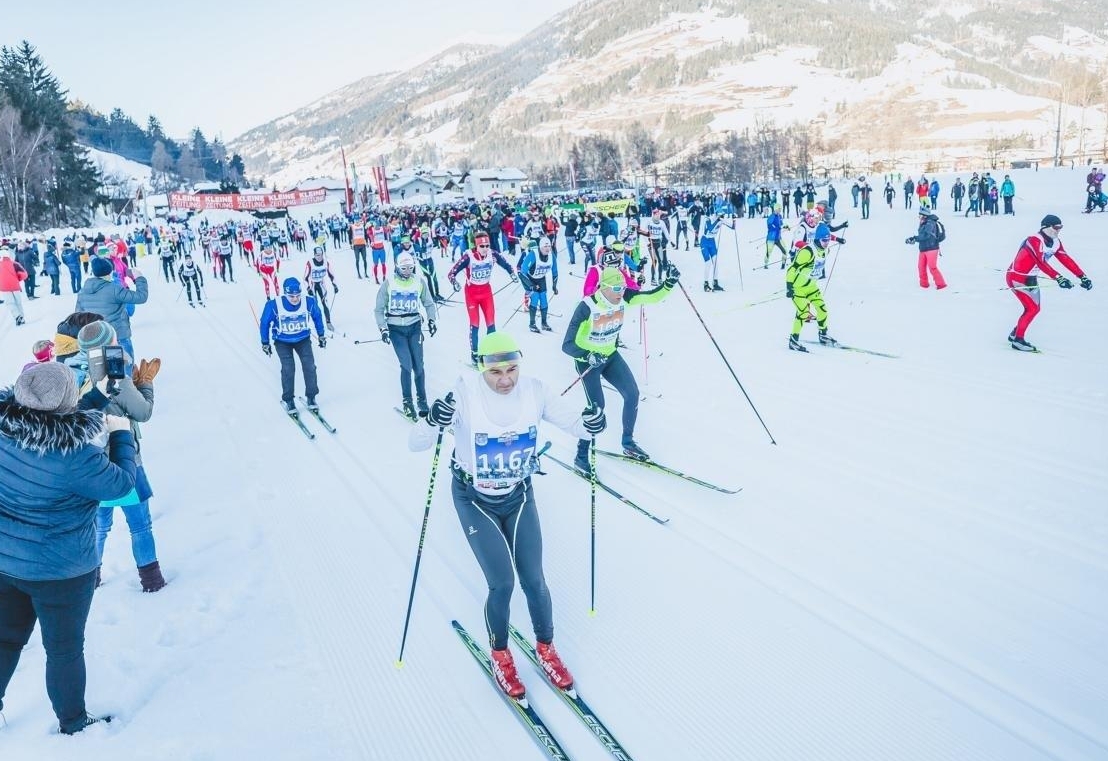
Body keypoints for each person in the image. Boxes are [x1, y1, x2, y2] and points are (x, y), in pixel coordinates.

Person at [410, 332, 605, 698]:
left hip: (518, 495)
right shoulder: (463, 395)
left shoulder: (534, 391)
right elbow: (416, 442)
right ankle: (500, 655)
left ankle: (546, 648)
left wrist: (593, 423)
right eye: (495, 371)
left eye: (511, 369)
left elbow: (578, 423)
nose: (505, 379)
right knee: (502, 583)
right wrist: (434, 420)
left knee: (535, 580)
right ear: (481, 367)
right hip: (474, 499)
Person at [0, 362, 136, 734]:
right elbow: (122, 485)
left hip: (5, 560)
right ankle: (73, 722)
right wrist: (122, 435)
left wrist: (96, 397)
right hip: (60, 571)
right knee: (63, 649)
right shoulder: (77, 459)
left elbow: (53, 419)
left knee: (5, 639)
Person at [75, 320, 167, 592]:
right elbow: (143, 413)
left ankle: (91, 577)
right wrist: (146, 385)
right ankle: (151, 579)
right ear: (109, 344)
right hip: (126, 460)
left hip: (93, 466)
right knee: (140, 526)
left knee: (99, 527)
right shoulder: (117, 378)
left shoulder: (75, 374)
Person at [562, 266, 680, 471]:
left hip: (609, 355)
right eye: (616, 288)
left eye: (623, 287)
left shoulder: (624, 297)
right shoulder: (587, 306)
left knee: (632, 394)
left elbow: (651, 297)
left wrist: (669, 283)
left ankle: (628, 443)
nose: (621, 292)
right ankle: (581, 457)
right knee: (596, 408)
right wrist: (587, 355)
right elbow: (567, 344)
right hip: (587, 361)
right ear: (603, 288)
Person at [1004, 215, 1092, 351]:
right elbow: (1041, 262)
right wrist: (1059, 278)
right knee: (1032, 309)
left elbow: (1065, 258)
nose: (1058, 230)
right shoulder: (1034, 240)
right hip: (1017, 277)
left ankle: (1015, 334)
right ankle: (1018, 341)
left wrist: (1082, 276)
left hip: (1031, 278)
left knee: (1033, 309)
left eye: (1060, 227)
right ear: (1046, 227)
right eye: (1056, 227)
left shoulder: (1055, 242)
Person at [375, 253, 438, 420]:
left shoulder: (419, 281)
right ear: (397, 266)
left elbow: (429, 303)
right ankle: (407, 402)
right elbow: (379, 309)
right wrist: (383, 329)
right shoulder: (389, 283)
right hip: (396, 329)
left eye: (410, 268)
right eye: (404, 268)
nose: (407, 271)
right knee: (406, 365)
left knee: (419, 365)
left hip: (414, 326)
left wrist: (432, 320)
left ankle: (422, 401)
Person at [447, 231, 517, 366]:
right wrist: (455, 283)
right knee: (475, 324)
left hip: (486, 292)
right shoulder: (468, 256)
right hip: (472, 294)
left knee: (491, 323)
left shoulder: (493, 254)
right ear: (476, 246)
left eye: (487, 245)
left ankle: (491, 351)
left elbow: (506, 264)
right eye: (482, 246)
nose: (485, 249)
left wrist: (512, 274)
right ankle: (474, 353)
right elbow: (451, 273)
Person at [259, 278, 327, 414]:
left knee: (310, 366)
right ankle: (289, 399)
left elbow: (318, 317)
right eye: (291, 296)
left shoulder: (309, 302)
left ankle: (311, 397)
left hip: (302, 339)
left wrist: (321, 335)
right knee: (289, 368)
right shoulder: (273, 305)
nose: (295, 299)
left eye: (297, 296)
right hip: (282, 341)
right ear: (285, 294)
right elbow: (264, 323)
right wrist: (265, 342)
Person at [75, 256, 148, 366]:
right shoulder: (114, 289)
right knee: (123, 372)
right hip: (117, 338)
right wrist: (139, 278)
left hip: (95, 341)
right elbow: (141, 297)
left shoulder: (83, 291)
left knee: (104, 375)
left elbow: (78, 316)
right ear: (109, 273)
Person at [786, 239, 836, 352]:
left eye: (828, 240)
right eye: (824, 240)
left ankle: (823, 334)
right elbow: (792, 268)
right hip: (798, 288)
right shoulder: (807, 252)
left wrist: (838, 239)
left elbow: (829, 235)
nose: (827, 242)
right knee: (803, 313)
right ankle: (793, 340)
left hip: (811, 287)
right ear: (818, 239)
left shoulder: (825, 250)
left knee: (822, 309)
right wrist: (789, 286)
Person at [518, 237, 559, 332]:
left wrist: (554, 286)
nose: (548, 248)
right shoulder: (533, 255)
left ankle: (544, 323)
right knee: (535, 298)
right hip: (529, 279)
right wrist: (531, 285)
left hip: (540, 279)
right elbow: (522, 273)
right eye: (545, 246)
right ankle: (532, 324)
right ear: (540, 247)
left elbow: (555, 271)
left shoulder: (551, 256)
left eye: (549, 246)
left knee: (544, 299)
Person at [906, 208, 947, 289]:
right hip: (923, 248)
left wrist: (914, 238)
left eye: (920, 215)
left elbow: (926, 235)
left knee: (932, 267)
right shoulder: (923, 222)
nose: (919, 217)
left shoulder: (930, 223)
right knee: (921, 267)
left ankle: (941, 284)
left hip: (932, 248)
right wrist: (914, 239)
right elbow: (922, 236)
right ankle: (924, 284)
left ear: (924, 215)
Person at [304, 246, 338, 331]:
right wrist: (308, 288)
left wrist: (335, 285)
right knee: (315, 305)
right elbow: (305, 277)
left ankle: (328, 322)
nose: (319, 257)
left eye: (321, 255)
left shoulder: (326, 262)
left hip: (321, 284)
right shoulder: (310, 263)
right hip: (312, 284)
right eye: (317, 255)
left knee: (325, 303)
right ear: (314, 255)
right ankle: (316, 323)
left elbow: (331, 275)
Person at [699, 211, 732, 291]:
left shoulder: (720, 220)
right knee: (708, 263)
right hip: (704, 242)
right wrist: (718, 221)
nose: (721, 217)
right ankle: (706, 284)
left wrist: (734, 219)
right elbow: (709, 229)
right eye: (719, 215)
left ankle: (715, 283)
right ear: (716, 214)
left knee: (716, 263)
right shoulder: (708, 219)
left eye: (722, 215)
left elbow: (732, 227)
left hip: (712, 242)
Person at [0, 245, 28, 326]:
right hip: (15, 286)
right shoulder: (14, 263)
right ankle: (21, 318)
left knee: (10, 303)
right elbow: (24, 274)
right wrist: (17, 279)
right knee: (18, 302)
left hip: (4, 287)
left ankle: (17, 316)